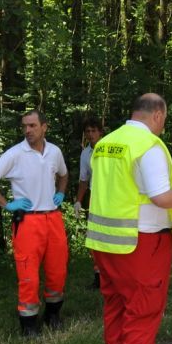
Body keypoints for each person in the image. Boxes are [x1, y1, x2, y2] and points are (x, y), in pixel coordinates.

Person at [86, 93, 172, 344]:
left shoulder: (106, 144)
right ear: (158, 114)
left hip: (105, 241)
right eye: (164, 119)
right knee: (144, 307)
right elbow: (161, 197)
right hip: (142, 240)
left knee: (116, 304)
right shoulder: (148, 145)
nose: (163, 125)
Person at [0, 110, 69, 336]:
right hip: (28, 222)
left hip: (53, 219)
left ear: (44, 127)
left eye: (32, 125)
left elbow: (64, 174)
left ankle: (53, 315)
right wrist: (7, 204)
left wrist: (61, 192)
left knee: (57, 271)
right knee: (29, 275)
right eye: (24, 126)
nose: (27, 130)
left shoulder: (54, 151)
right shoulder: (15, 154)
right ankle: (28, 325)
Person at [74, 116, 104, 289]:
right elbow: (84, 180)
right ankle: (98, 276)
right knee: (94, 237)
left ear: (100, 132)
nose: (91, 134)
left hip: (113, 197)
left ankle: (116, 274)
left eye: (93, 130)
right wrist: (78, 201)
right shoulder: (85, 153)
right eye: (87, 131)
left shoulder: (109, 148)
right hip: (95, 197)